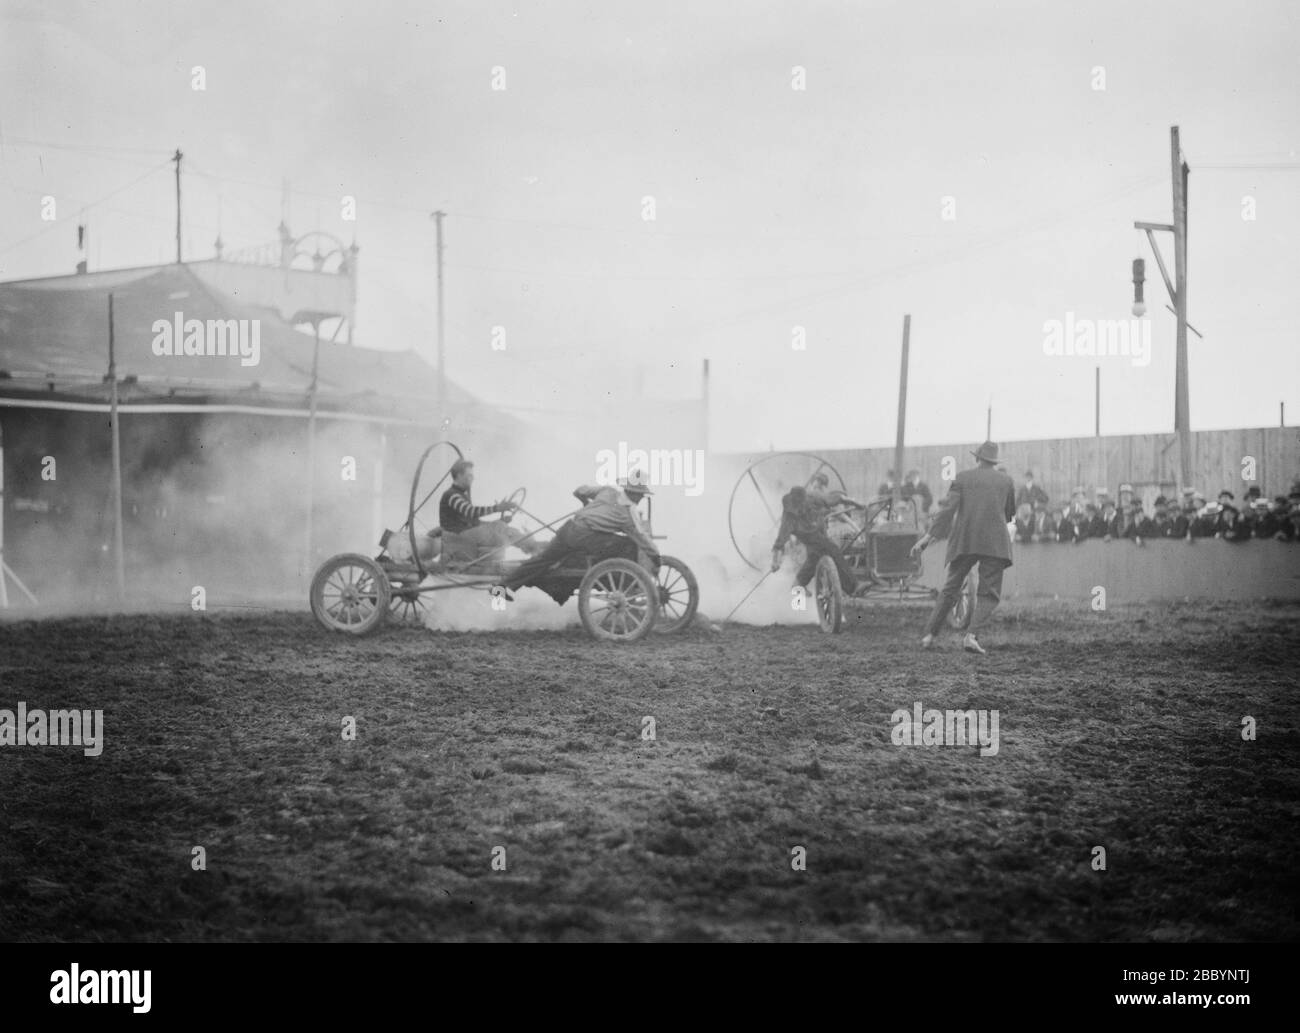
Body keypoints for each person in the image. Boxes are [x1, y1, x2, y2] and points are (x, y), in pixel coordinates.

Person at [910, 440, 1016, 654]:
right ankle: (971, 636)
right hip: (994, 542)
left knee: (950, 589)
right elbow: (1009, 515)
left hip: (965, 540)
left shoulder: (962, 478)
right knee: (989, 594)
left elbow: (947, 511)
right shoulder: (1006, 481)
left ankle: (930, 635)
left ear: (977, 457)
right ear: (994, 461)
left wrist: (927, 538)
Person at [500, 477, 659, 603]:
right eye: (640, 494)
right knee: (628, 544)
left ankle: (501, 588)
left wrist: (587, 504)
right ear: (633, 493)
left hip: (569, 528)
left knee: (543, 560)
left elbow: (579, 491)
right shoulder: (627, 515)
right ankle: (618, 579)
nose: (641, 498)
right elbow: (642, 538)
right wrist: (656, 557)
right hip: (585, 536)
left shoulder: (607, 491)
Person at [438, 459, 538, 565]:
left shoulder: (460, 495)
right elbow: (471, 512)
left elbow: (473, 521)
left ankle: (533, 550)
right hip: (458, 537)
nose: (473, 478)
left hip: (464, 534)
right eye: (469, 475)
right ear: (459, 475)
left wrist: (499, 521)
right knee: (503, 534)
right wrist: (497, 508)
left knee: (500, 525)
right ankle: (535, 552)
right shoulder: (452, 495)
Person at [771, 485, 858, 595]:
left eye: (804, 502)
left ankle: (798, 585)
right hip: (810, 537)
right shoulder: (789, 517)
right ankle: (852, 587)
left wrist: (857, 504)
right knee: (833, 551)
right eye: (800, 504)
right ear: (794, 503)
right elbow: (780, 541)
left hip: (819, 529)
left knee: (814, 557)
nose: (803, 506)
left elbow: (836, 499)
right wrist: (775, 561)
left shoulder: (811, 499)